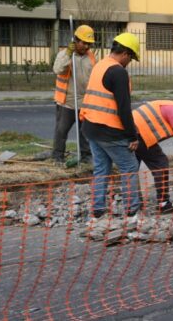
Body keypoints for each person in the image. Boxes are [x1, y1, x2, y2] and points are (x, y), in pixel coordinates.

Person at [80, 33, 142, 219]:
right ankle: (132, 209)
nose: (129, 62)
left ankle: (98, 208)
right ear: (125, 53)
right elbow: (123, 108)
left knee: (101, 168)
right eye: (131, 57)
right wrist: (132, 136)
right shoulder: (118, 71)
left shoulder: (100, 64)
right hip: (109, 130)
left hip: (91, 126)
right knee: (129, 167)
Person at [51, 25, 96, 166]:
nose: (86, 46)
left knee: (85, 132)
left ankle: (86, 155)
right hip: (67, 101)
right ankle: (57, 157)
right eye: (83, 42)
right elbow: (57, 69)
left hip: (85, 102)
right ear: (75, 40)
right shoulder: (65, 54)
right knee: (61, 130)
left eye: (89, 43)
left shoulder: (91, 57)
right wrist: (68, 54)